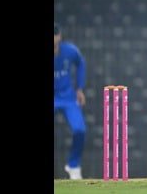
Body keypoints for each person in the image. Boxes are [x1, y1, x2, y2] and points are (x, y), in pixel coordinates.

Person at [54, 22, 87, 179]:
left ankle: (73, 165)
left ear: (59, 36)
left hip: (67, 97)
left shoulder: (69, 51)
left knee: (79, 129)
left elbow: (81, 63)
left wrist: (79, 88)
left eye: (55, 34)